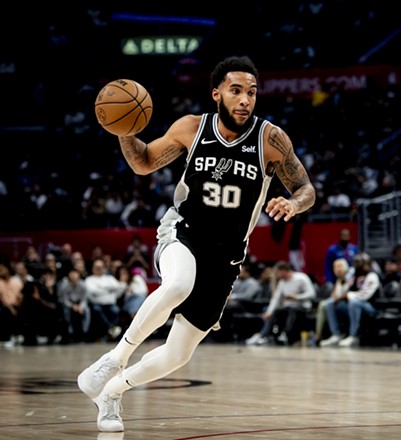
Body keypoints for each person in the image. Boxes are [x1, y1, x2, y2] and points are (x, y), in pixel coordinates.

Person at [77, 55, 315, 433]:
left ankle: (111, 392)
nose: (245, 100)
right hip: (183, 232)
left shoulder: (270, 140)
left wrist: (293, 202)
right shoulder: (192, 128)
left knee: (177, 354)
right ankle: (115, 358)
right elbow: (143, 162)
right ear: (216, 93)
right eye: (236, 91)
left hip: (226, 257)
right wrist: (125, 130)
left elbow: (306, 188)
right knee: (177, 283)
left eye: (251, 92)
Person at [245, 260, 316, 346]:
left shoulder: (301, 278)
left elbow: (312, 294)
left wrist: (297, 297)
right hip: (287, 307)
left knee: (292, 309)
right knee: (273, 312)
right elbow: (276, 299)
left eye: (277, 272)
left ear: (284, 271)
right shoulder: (282, 282)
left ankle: (285, 334)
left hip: (303, 306)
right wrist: (269, 312)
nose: (276, 275)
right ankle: (262, 335)